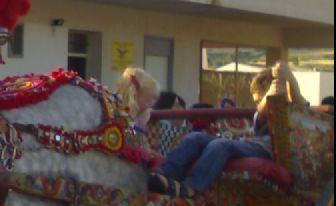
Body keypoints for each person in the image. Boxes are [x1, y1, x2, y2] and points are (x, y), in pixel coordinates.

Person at [149, 61, 306, 197]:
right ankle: (163, 174)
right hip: (252, 144)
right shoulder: (266, 113)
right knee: (195, 137)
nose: (257, 105)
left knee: (220, 145)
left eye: (258, 100)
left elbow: (286, 105)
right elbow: (264, 110)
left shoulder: (295, 112)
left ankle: (191, 188)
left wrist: (284, 81)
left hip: (267, 149)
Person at [115, 66, 160, 146]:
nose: (151, 104)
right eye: (148, 100)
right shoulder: (119, 114)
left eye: (153, 100)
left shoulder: (143, 114)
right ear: (134, 96)